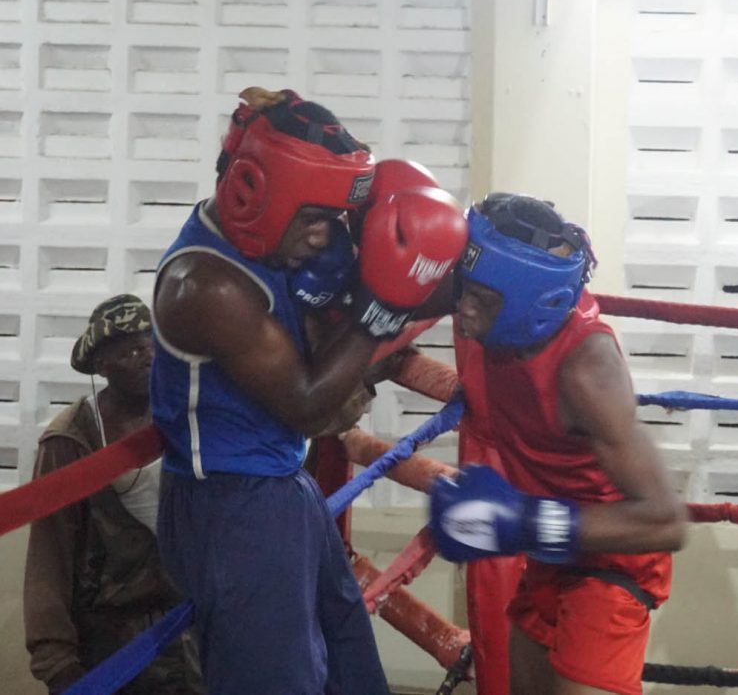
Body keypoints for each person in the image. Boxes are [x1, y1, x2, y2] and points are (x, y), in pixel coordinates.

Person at [151, 86, 467, 695]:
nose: (326, 239)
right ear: (257, 194)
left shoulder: (271, 249)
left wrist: (446, 264)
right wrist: (381, 304)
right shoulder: (208, 284)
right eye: (317, 218)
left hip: (281, 487)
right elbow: (308, 405)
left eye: (336, 220)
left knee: (348, 660)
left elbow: (352, 346)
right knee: (275, 682)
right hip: (232, 505)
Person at [428, 193, 688, 695]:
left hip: (611, 566)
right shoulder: (483, 315)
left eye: (480, 297)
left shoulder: (587, 370)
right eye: (464, 289)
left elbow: (667, 521)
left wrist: (521, 522)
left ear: (528, 301)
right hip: (549, 554)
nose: (461, 308)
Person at [24, 294, 203, 695]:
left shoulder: (183, 417)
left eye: (153, 346)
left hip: (191, 626)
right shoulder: (72, 439)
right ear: (102, 365)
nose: (147, 357)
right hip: (112, 642)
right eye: (132, 351)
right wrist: (58, 664)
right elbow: (50, 555)